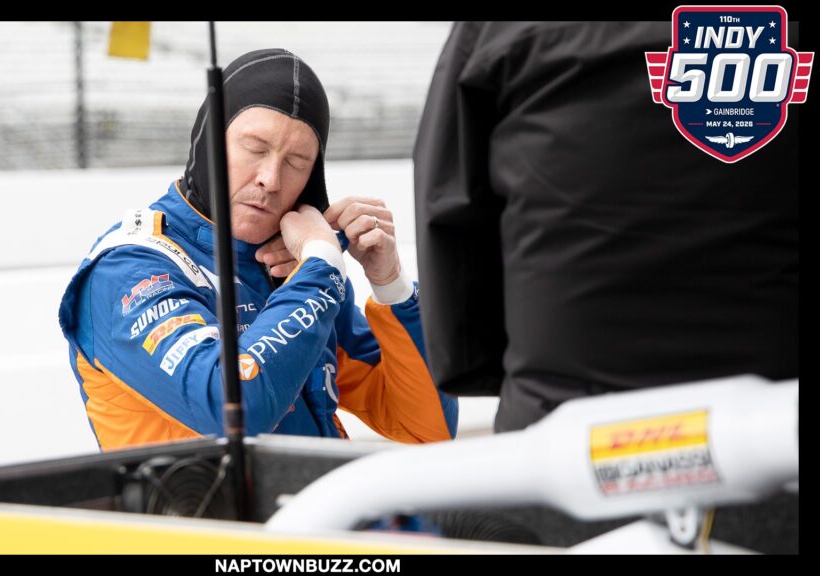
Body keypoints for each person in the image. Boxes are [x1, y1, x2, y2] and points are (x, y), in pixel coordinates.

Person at [59, 48, 457, 450]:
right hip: (199, 512)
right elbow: (232, 407)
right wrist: (322, 267)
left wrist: (390, 284)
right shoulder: (130, 268)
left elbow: (428, 426)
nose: (270, 178)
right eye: (255, 148)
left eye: (296, 161)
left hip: (313, 509)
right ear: (209, 141)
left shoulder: (298, 268)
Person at [414, 22, 798, 433]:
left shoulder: (499, 30)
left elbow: (451, 220)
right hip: (777, 430)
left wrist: (524, 374)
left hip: (565, 428)